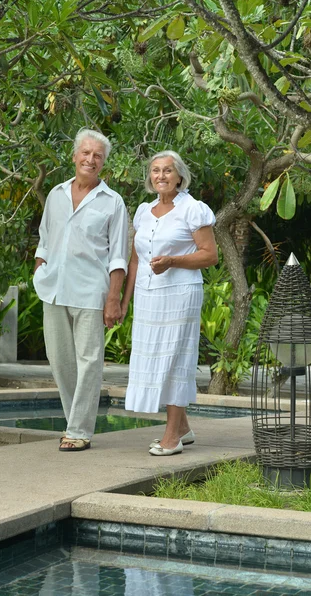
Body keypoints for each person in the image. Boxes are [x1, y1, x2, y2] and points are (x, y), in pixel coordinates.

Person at [33, 129, 128, 452]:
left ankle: (78, 430)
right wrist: (39, 268)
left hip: (91, 292)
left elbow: (119, 254)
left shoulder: (113, 202)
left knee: (89, 361)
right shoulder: (56, 194)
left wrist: (113, 298)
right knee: (59, 361)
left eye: (97, 156)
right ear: (74, 156)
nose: (90, 159)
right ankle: (75, 422)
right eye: (85, 153)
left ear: (103, 163)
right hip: (54, 290)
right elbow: (45, 239)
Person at [120, 150, 218, 456]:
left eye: (167, 171)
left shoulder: (193, 209)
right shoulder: (143, 211)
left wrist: (173, 261)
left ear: (179, 176)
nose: (160, 176)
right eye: (155, 170)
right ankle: (184, 428)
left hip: (180, 294)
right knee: (156, 358)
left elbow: (210, 255)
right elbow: (135, 260)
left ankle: (172, 436)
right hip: (148, 297)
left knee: (175, 358)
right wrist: (124, 301)